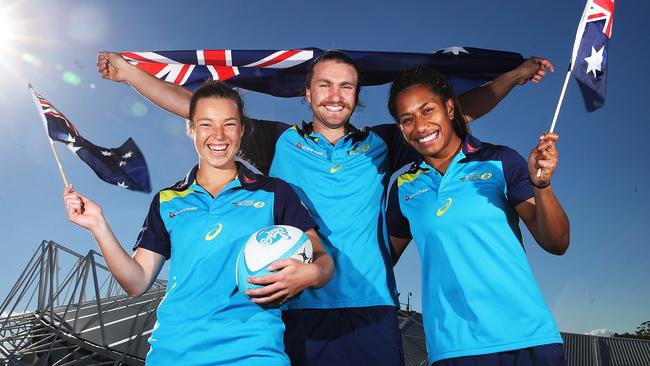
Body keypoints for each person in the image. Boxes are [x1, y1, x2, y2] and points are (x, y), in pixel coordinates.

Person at [97, 50, 553, 366]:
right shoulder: (279, 141)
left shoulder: (383, 143)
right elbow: (196, 110)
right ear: (308, 93)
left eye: (347, 87)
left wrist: (510, 78)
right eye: (325, 85)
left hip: (370, 308)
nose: (335, 95)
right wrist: (130, 74)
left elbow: (460, 111)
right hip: (295, 307)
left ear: (357, 97)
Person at [63, 81, 333, 365]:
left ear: (242, 130)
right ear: (191, 129)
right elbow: (137, 282)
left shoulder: (275, 192)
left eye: (229, 124)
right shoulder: (167, 200)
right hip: (173, 353)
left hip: (253, 353)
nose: (218, 135)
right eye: (206, 124)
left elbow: (323, 260)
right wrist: (99, 226)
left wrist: (311, 275)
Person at [386, 66, 570, 366]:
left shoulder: (500, 160)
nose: (420, 126)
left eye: (428, 110)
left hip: (528, 338)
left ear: (449, 108)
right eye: (407, 119)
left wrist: (542, 186)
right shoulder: (404, 188)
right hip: (453, 348)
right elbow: (380, 260)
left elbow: (557, 243)